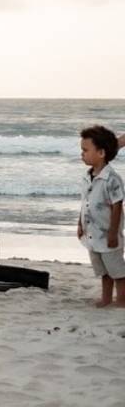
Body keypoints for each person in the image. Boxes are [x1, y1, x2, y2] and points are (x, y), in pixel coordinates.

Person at [78, 125, 125, 308]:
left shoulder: (112, 179)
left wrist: (113, 232)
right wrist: (80, 224)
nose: (82, 154)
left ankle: (121, 300)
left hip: (108, 234)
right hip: (93, 234)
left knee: (118, 271)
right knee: (103, 271)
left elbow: (117, 206)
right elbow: (85, 203)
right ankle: (106, 298)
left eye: (85, 150)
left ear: (101, 153)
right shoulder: (87, 176)